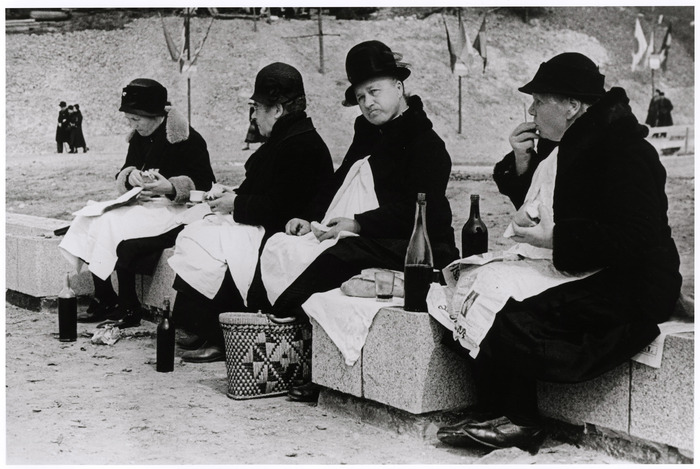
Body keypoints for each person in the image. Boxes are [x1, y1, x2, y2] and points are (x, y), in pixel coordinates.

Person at [436, 53, 681, 453]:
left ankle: (522, 421)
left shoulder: (626, 152)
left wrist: (555, 239)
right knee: (470, 284)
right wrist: (521, 160)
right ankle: (495, 409)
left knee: (513, 310)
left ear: (571, 105)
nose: (530, 110)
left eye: (538, 101)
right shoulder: (567, 145)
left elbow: (636, 236)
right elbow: (544, 204)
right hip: (585, 264)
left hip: (632, 280)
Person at [260, 40, 460, 401]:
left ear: (399, 88)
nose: (368, 102)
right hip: (373, 236)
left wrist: (357, 224)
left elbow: (418, 210)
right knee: (283, 244)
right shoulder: (368, 133)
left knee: (343, 254)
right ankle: (292, 344)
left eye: (374, 91)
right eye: (360, 95)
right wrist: (310, 219)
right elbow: (339, 181)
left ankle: (280, 329)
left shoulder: (426, 143)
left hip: (422, 246)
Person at [167, 62, 334, 363]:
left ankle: (215, 334)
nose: (254, 116)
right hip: (266, 224)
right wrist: (233, 196)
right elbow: (264, 192)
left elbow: (283, 207)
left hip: (283, 232)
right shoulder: (287, 139)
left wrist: (236, 204)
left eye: (257, 108)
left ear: (278, 110)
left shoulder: (300, 146)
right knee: (198, 230)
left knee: (212, 241)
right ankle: (196, 325)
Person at [59, 78, 215, 328]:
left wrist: (172, 187)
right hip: (144, 205)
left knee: (113, 229)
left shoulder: (187, 139)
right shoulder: (140, 136)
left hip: (174, 210)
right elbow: (126, 170)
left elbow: (206, 183)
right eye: (129, 119)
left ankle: (128, 306)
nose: (131, 125)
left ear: (156, 115)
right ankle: (105, 298)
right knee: (92, 220)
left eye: (136, 119)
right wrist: (130, 177)